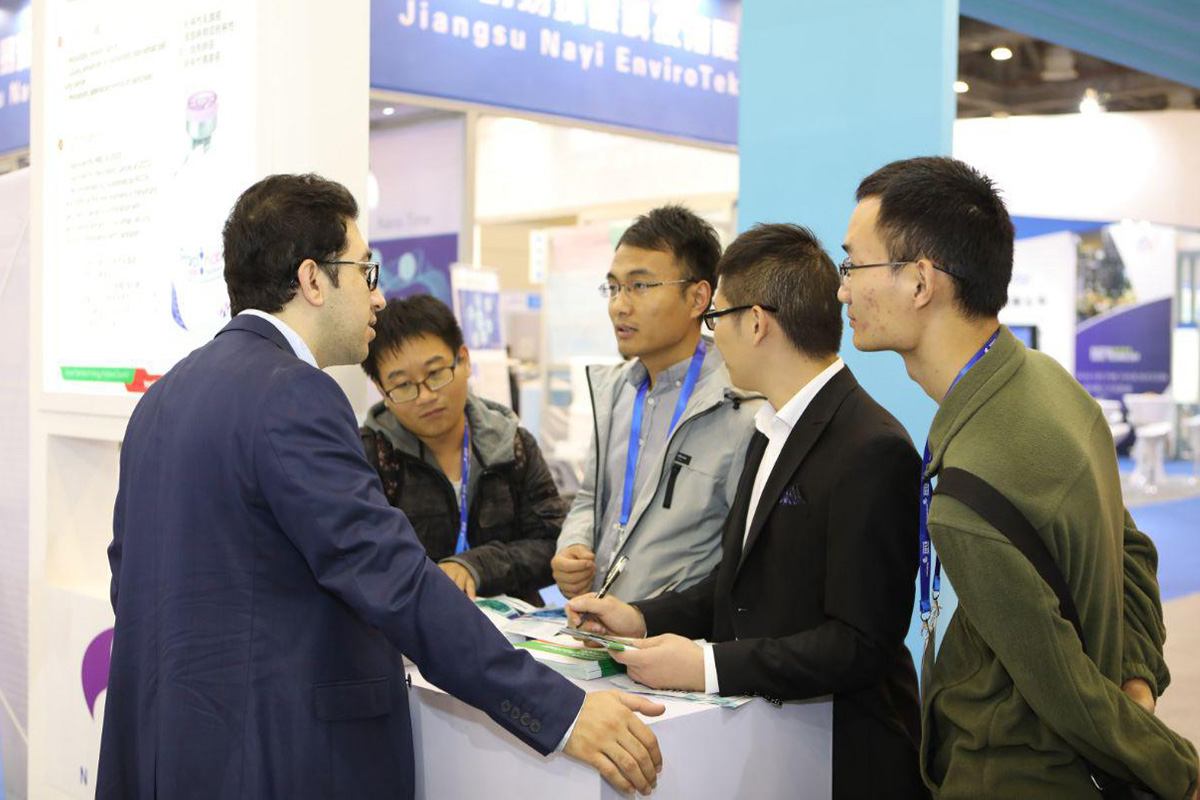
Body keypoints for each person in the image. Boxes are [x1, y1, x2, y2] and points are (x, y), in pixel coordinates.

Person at [97, 174, 665, 799]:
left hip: (167, 749)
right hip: (275, 757)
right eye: (365, 271)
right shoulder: (294, 394)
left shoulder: (162, 397)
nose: (378, 297)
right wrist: (563, 712)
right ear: (313, 280)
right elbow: (391, 578)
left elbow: (133, 580)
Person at [837, 156, 1198, 798]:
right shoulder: (1050, 383)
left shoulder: (971, 489)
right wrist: (1135, 681)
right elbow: (1134, 554)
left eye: (852, 266)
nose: (843, 292)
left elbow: (1065, 691)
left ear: (920, 282)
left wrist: (1178, 772)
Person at [567, 223, 927, 799]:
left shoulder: (870, 447)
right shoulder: (769, 428)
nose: (712, 338)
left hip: (845, 758)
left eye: (716, 318)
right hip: (775, 746)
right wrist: (641, 617)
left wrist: (707, 666)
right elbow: (739, 585)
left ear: (756, 323)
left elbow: (861, 644)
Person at [552, 205, 760, 603]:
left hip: (677, 634)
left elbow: (743, 560)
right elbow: (591, 497)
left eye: (639, 286)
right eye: (614, 288)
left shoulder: (740, 405)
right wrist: (573, 545)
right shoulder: (614, 392)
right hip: (597, 623)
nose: (619, 305)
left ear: (698, 298)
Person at [360, 295, 562, 606]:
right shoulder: (369, 458)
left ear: (464, 361)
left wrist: (478, 566)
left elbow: (553, 545)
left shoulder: (512, 445)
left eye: (436, 373)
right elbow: (363, 562)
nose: (425, 396)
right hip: (414, 628)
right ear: (381, 390)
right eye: (403, 386)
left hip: (511, 626)